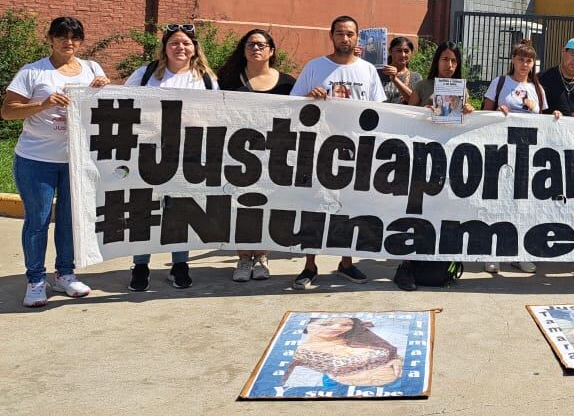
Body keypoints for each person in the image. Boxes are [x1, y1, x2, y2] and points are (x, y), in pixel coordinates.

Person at [2, 16, 110, 308]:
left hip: (76, 160)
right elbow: (8, 112)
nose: (69, 42)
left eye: (75, 37)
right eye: (62, 36)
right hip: (37, 159)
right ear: (49, 38)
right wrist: (44, 104)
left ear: (82, 41)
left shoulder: (91, 69)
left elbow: (105, 109)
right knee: (37, 221)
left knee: (70, 220)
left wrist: (104, 88)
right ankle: (36, 279)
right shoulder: (33, 72)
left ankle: (66, 273)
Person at [289, 16, 385, 289]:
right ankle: (309, 265)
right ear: (331, 36)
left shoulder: (367, 70)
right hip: (319, 149)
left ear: (358, 38)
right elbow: (293, 104)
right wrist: (309, 96)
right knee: (315, 208)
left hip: (356, 151)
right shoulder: (315, 67)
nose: (345, 38)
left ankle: (346, 262)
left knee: (350, 207)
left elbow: (379, 111)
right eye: (340, 33)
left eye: (350, 34)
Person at [124, 24, 219, 291]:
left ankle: (179, 265)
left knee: (181, 211)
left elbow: (218, 114)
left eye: (186, 43)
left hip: (187, 154)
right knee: (143, 209)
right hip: (148, 151)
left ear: (195, 48)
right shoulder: (145, 74)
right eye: (174, 43)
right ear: (165, 47)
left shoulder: (205, 79)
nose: (181, 47)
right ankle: (140, 265)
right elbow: (122, 102)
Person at [217, 28, 297, 282]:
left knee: (267, 207)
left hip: (274, 156)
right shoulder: (228, 79)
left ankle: (261, 257)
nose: (256, 48)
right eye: (251, 44)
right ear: (244, 50)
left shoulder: (287, 83)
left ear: (271, 51)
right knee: (239, 208)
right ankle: (243, 258)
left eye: (262, 45)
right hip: (237, 155)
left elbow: (299, 115)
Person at [397, 42, 476, 291]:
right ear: (436, 61)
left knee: (442, 212)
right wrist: (423, 112)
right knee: (417, 211)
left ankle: (438, 266)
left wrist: (469, 111)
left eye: (454, 61)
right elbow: (406, 116)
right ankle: (407, 266)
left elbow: (464, 123)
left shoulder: (461, 89)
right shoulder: (423, 86)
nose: (449, 65)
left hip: (448, 160)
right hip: (421, 157)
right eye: (445, 59)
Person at [482, 40, 559, 273]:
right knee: (496, 203)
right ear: (512, 59)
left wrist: (555, 114)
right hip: (500, 151)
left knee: (523, 205)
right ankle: (491, 253)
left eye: (529, 60)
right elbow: (484, 113)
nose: (524, 64)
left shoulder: (538, 89)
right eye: (521, 59)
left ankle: (520, 252)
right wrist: (496, 112)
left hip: (527, 155)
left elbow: (544, 120)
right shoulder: (500, 83)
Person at [285, 317, 403, 389]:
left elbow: (390, 352)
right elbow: (274, 381)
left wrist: (397, 360)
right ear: (309, 326)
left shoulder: (357, 338)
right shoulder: (299, 351)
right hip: (346, 391)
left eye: (346, 324)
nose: (337, 328)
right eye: (326, 324)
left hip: (398, 384)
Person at [378, 35, 421, 104]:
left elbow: (414, 102)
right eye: (399, 51)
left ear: (411, 53)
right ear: (390, 51)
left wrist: (395, 79)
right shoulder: (378, 72)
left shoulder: (415, 77)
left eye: (406, 51)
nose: (403, 55)